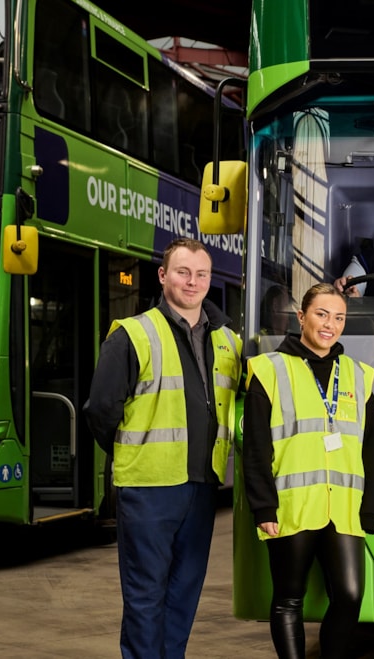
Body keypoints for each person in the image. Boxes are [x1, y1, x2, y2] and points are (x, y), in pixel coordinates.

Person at [83, 237, 242, 659]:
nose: (192, 282)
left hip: (203, 484)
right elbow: (101, 409)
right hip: (150, 486)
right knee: (145, 594)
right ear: (163, 275)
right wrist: (131, 454)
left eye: (201, 274)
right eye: (183, 272)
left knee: (184, 591)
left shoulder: (228, 341)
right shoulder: (132, 335)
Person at [242, 282, 374, 659]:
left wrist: (370, 508)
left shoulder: (359, 375)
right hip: (291, 506)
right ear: (302, 316)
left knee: (351, 594)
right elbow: (255, 447)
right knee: (289, 598)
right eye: (322, 314)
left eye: (339, 317)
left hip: (343, 509)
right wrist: (263, 507)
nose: (330, 325)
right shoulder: (269, 370)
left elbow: (373, 448)